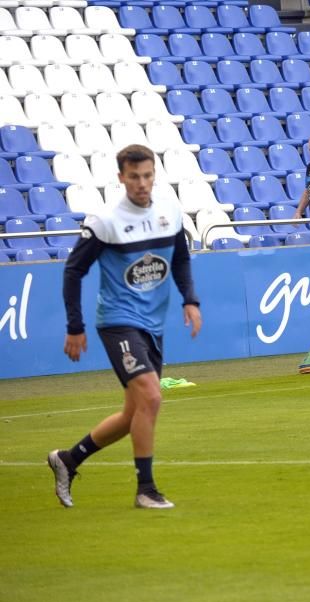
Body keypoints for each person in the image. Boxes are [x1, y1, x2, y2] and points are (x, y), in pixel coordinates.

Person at [48, 144, 202, 510]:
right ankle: (146, 489)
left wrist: (190, 299)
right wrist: (75, 326)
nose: (142, 183)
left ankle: (68, 460)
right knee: (151, 396)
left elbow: (180, 258)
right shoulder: (105, 221)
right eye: (134, 177)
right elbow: (74, 271)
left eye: (147, 175)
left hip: (153, 325)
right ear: (121, 178)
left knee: (134, 414)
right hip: (117, 322)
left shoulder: (170, 211)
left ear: (154, 174)